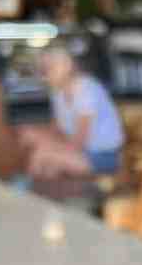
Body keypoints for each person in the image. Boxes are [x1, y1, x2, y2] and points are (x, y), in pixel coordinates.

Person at [19, 41, 123, 181]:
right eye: (42, 68)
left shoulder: (86, 89)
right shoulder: (58, 92)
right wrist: (38, 135)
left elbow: (78, 142)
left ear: (67, 65)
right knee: (37, 144)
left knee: (43, 155)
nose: (44, 74)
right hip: (81, 151)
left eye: (49, 67)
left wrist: (48, 146)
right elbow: (56, 130)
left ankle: (25, 188)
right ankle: (36, 189)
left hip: (103, 157)